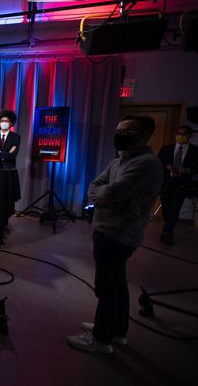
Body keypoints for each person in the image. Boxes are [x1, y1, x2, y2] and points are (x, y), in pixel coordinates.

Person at [67, 116, 163, 354]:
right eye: (118, 130)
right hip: (106, 229)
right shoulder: (119, 160)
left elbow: (109, 194)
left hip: (119, 233)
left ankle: (101, 339)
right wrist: (104, 195)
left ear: (144, 135)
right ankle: (117, 331)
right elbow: (96, 186)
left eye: (126, 132)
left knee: (107, 287)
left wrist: (104, 195)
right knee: (117, 283)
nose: (119, 135)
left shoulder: (146, 164)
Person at [157, 125, 198, 245]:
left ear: (189, 136)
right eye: (178, 133)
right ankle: (167, 228)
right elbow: (158, 161)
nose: (180, 136)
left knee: (174, 209)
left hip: (181, 184)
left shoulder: (195, 152)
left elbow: (196, 168)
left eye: (183, 134)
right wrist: (166, 166)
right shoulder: (167, 149)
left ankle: (167, 232)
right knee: (165, 208)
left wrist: (188, 170)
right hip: (166, 183)